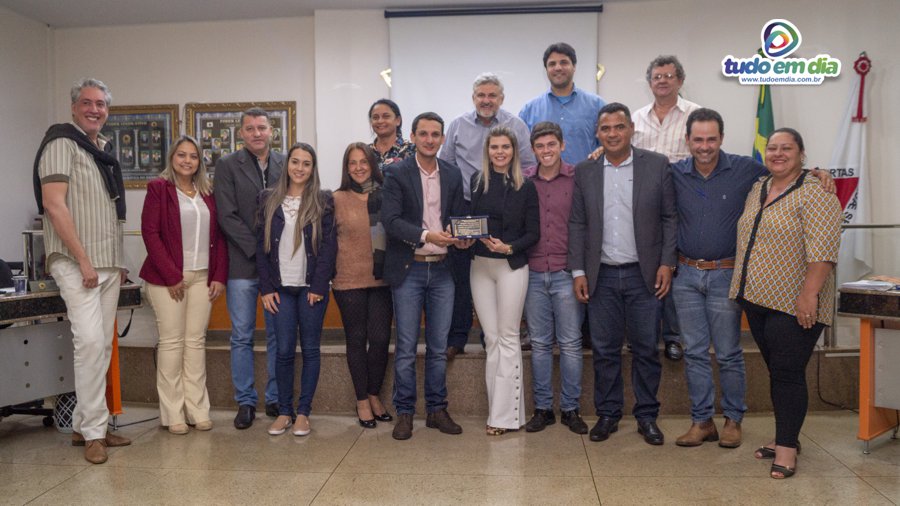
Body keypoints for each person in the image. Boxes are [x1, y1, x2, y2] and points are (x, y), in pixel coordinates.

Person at [730, 128, 842, 479]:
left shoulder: (817, 192)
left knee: (788, 374)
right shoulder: (757, 188)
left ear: (802, 154)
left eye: (787, 148)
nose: (778, 153)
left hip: (795, 302)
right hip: (757, 298)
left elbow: (824, 250)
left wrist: (809, 294)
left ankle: (787, 450)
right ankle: (787, 437)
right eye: (773, 148)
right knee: (779, 372)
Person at [33, 78, 131, 463]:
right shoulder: (61, 144)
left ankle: (86, 424)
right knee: (89, 343)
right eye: (88, 103)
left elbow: (107, 212)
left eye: (101, 104)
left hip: (106, 264)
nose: (95, 109)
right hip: (78, 263)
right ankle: (94, 433)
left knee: (101, 346)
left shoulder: (99, 150)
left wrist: (117, 264)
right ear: (74, 107)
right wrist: (84, 260)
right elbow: (54, 205)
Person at [568, 103, 676, 446]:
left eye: (619, 127)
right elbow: (578, 223)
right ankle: (609, 413)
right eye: (606, 128)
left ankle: (647, 416)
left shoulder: (656, 165)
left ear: (631, 129)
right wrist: (579, 270)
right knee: (604, 350)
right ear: (598, 133)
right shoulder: (585, 171)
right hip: (600, 276)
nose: (612, 133)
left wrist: (666, 263)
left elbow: (669, 218)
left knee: (646, 348)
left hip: (643, 276)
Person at [381, 112, 473, 440]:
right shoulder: (396, 173)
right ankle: (405, 412)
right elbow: (390, 221)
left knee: (438, 346)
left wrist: (462, 236)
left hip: (444, 270)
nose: (430, 139)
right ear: (413, 136)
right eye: (424, 134)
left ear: (443, 138)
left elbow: (458, 218)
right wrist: (426, 236)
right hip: (411, 268)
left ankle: (436, 410)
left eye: (436, 134)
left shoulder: (451, 173)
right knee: (406, 346)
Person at [441, 72, 536, 358]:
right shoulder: (458, 125)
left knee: (497, 274)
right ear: (473, 98)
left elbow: (529, 166)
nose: (486, 100)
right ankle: (458, 337)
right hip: (468, 207)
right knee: (464, 275)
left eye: (492, 95)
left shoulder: (515, 125)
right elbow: (446, 166)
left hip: (505, 209)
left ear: (501, 98)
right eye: (481, 95)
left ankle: (489, 338)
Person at [139, 135, 227, 435]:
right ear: (171, 158)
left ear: (200, 161)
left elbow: (220, 236)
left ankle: (198, 410)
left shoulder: (208, 192)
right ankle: (173, 413)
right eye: (181, 155)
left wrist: (219, 275)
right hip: (167, 281)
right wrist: (171, 276)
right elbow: (150, 234)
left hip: (203, 277)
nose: (187, 161)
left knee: (195, 343)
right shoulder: (158, 189)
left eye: (193, 156)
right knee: (172, 344)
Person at [257, 143, 337, 437]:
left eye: (306, 163)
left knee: (312, 349)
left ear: (312, 168)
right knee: (284, 351)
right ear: (287, 164)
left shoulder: (323, 200)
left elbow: (329, 247)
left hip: (310, 290)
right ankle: (284, 412)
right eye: (295, 162)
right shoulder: (267, 199)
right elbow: (261, 247)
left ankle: (304, 412)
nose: (300, 168)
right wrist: (265, 288)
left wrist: (319, 284)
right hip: (280, 289)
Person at [214, 108, 284, 429]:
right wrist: (259, 250)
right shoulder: (228, 166)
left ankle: (274, 397)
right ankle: (245, 402)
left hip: (280, 266)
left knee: (275, 333)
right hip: (244, 264)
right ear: (241, 134)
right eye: (250, 129)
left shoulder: (286, 163)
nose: (257, 133)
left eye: (262, 128)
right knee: (241, 335)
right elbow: (226, 216)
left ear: (272, 131)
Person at [468, 127, 540, 435]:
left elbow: (533, 233)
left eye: (505, 147)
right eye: (494, 147)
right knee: (492, 339)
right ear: (487, 150)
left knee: (509, 338)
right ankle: (503, 413)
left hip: (511, 266)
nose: (500, 152)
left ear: (513, 151)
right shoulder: (477, 181)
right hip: (480, 267)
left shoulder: (526, 186)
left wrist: (508, 247)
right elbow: (469, 223)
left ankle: (503, 419)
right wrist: (464, 238)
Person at [522, 122, 588, 435]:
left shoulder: (578, 178)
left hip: (567, 273)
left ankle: (571, 409)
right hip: (533, 273)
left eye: (551, 145)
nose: (546, 151)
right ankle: (544, 408)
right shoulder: (524, 181)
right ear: (533, 150)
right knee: (540, 344)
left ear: (561, 145)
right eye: (540, 146)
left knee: (572, 344)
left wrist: (580, 270)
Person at [332, 142, 394, 428]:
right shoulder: (335, 199)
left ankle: (373, 394)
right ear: (346, 168)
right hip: (348, 280)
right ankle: (361, 400)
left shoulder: (387, 196)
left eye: (363, 162)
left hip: (382, 278)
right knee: (357, 339)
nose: (358, 168)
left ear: (373, 165)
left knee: (380, 339)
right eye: (352, 163)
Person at [519, 42, 606, 165]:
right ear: (546, 69)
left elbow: (608, 145)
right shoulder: (529, 110)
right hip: (543, 183)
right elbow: (522, 153)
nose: (558, 68)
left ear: (574, 66)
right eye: (552, 64)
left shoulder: (597, 105)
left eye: (564, 62)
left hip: (585, 181)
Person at [368, 98, 415, 171]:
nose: (380, 121)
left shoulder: (412, 149)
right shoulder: (365, 151)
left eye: (386, 116)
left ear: (398, 120)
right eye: (375, 117)